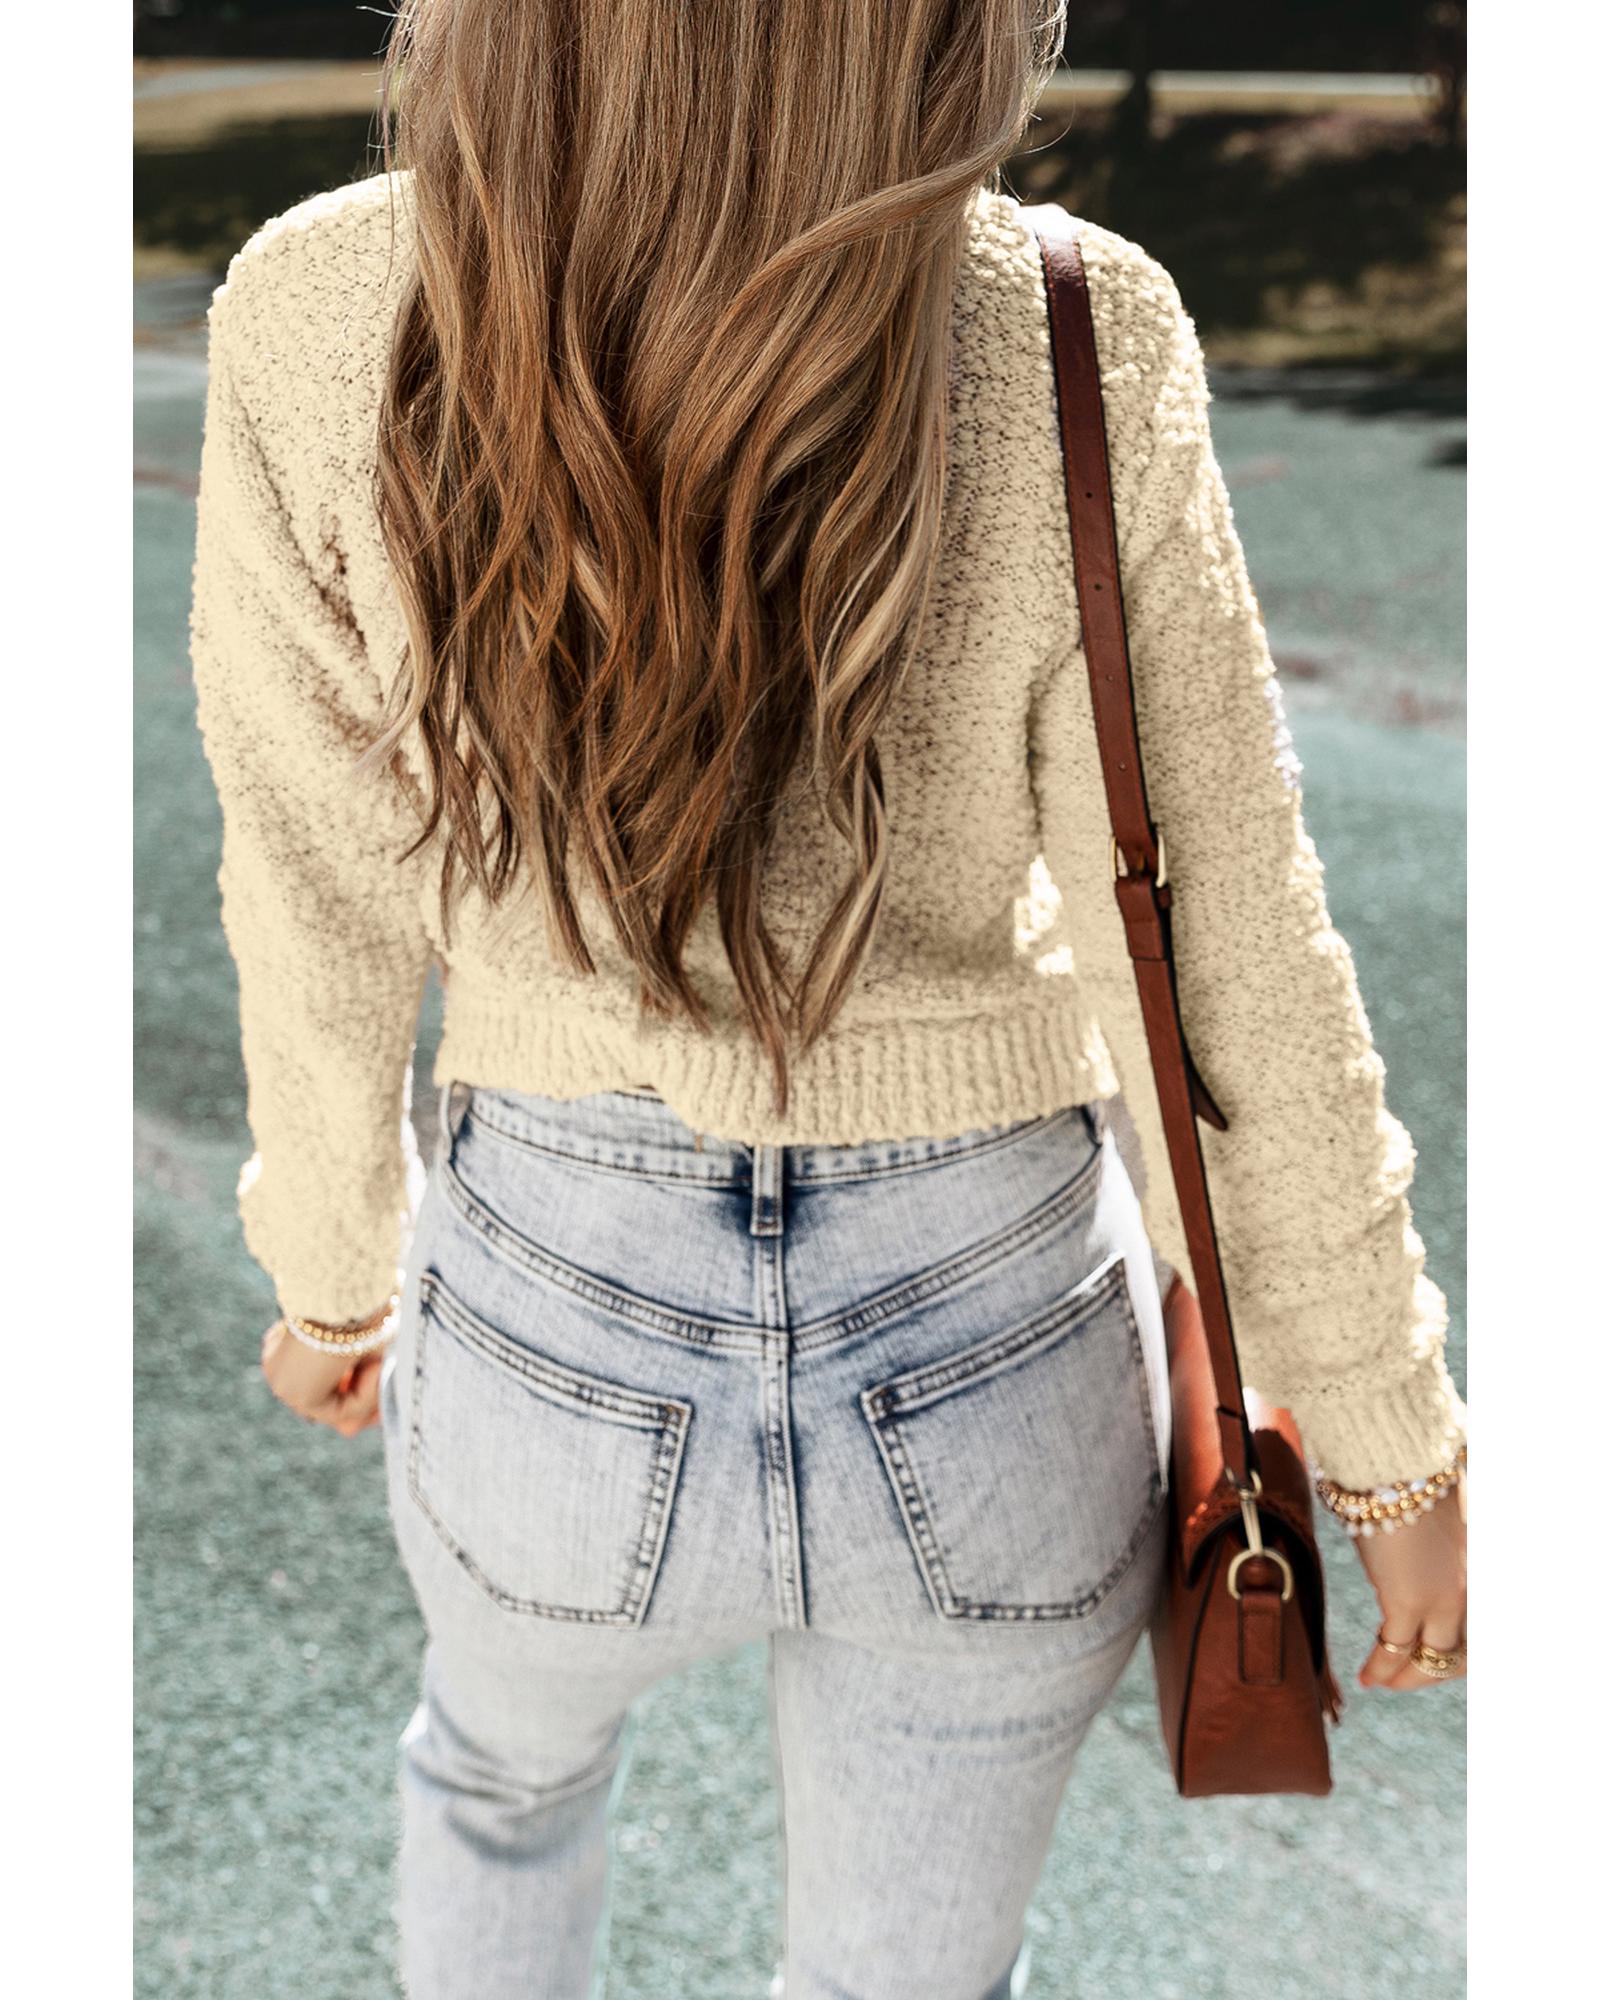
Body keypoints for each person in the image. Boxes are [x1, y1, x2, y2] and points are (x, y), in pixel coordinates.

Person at [187, 4, 1468, 1995]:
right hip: (993, 1335)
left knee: (500, 1781)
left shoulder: (320, 300)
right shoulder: (1064, 328)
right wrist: (1385, 1434)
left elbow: (316, 886)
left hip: (550, 1308)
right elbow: (1218, 929)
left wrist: (336, 1278)